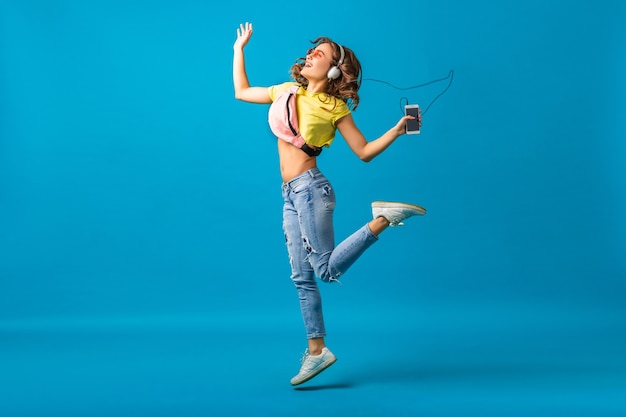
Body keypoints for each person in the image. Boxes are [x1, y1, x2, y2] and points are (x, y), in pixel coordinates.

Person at [232, 22, 426, 386]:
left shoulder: (335, 107)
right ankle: (318, 352)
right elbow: (242, 92)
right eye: (310, 51)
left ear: (335, 69)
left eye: (318, 54)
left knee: (325, 270)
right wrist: (239, 49)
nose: (309, 55)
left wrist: (398, 130)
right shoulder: (287, 90)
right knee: (301, 277)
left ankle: (382, 219)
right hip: (290, 193)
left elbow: (364, 152)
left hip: (311, 190)